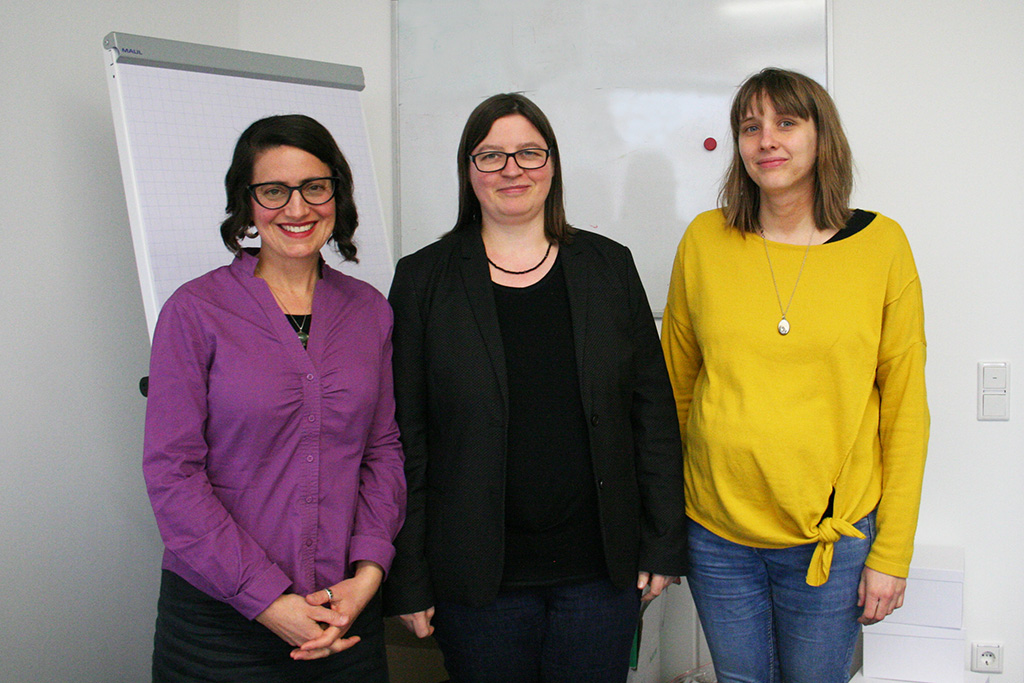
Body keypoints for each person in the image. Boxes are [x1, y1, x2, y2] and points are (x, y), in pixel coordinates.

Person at [383, 93, 687, 683]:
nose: (512, 169)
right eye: (490, 156)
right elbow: (406, 440)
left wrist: (662, 543)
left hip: (599, 574)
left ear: (552, 164)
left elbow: (651, 416)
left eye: (528, 152)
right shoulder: (423, 279)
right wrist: (409, 576)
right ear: (468, 171)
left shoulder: (608, 267)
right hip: (476, 582)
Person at [661, 67, 929, 683]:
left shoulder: (881, 246)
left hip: (830, 542)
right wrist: (667, 522)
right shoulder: (706, 239)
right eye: (750, 127)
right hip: (715, 533)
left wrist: (892, 553)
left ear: (821, 137)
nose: (766, 140)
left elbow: (906, 411)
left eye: (786, 122)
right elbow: (675, 390)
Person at [142, 114, 405, 682]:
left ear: (337, 192)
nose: (297, 208)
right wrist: (266, 600)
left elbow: (382, 452)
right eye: (273, 191)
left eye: (315, 186)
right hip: (218, 626)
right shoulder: (194, 313)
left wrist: (369, 571)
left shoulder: (369, 311)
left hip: (343, 616)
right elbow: (172, 473)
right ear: (247, 202)